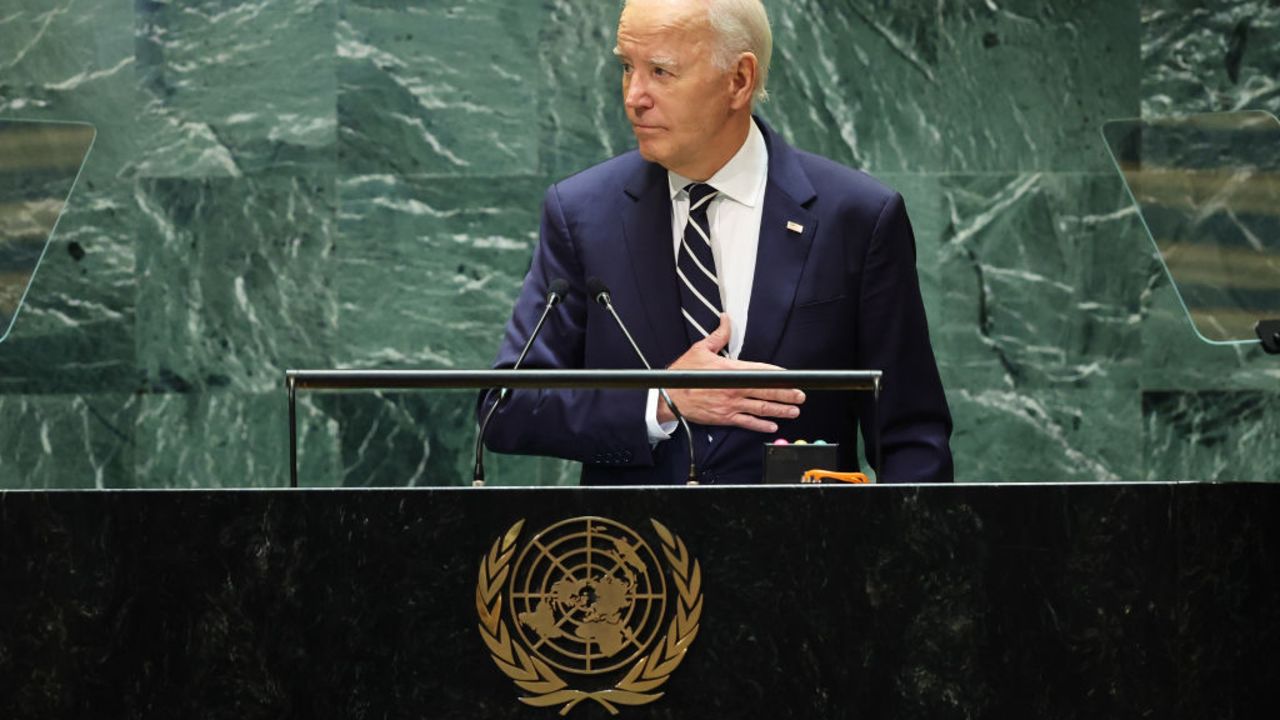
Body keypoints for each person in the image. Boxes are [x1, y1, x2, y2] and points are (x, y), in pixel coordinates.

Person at [481, 0, 952, 484]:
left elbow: (911, 439)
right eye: (627, 67)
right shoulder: (582, 214)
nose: (634, 96)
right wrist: (663, 401)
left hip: (805, 551)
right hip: (634, 551)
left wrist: (905, 556)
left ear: (739, 81)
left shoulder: (856, 217)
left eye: (661, 71)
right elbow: (508, 406)